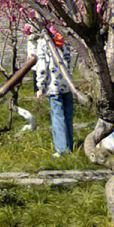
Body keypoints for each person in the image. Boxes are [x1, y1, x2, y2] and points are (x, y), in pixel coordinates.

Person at [34, 29, 76, 157]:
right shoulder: (64, 40)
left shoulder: (44, 42)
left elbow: (42, 67)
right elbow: (70, 62)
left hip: (54, 86)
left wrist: (40, 86)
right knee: (68, 117)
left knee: (57, 117)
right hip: (67, 85)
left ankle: (61, 149)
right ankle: (70, 145)